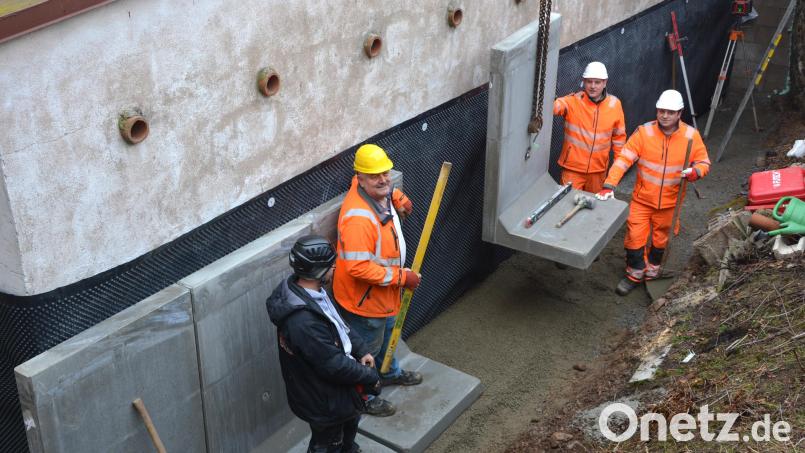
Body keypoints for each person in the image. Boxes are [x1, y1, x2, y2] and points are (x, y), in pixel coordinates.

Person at [266, 235, 381, 453]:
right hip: (325, 401)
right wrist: (370, 376)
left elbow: (339, 324)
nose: (335, 268)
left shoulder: (312, 293)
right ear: (318, 271)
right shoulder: (302, 321)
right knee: (328, 444)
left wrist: (361, 349)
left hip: (336, 393)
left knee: (347, 434)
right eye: (331, 265)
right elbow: (333, 364)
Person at [333, 143, 422, 417]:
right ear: (360, 177)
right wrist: (401, 277)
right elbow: (358, 268)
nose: (383, 179)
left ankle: (390, 372)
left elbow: (385, 189)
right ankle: (366, 396)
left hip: (385, 293)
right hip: (365, 301)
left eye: (386, 172)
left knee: (388, 338)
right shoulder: (358, 219)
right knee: (367, 352)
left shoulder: (372, 189)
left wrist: (398, 196)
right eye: (375, 176)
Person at [595, 90, 711, 296]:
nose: (664, 115)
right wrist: (609, 185)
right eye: (661, 111)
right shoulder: (644, 133)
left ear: (679, 113)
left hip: (670, 202)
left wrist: (696, 172)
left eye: (670, 112)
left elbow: (703, 161)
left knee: (661, 241)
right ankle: (634, 274)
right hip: (642, 199)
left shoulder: (690, 136)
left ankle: (652, 273)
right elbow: (623, 160)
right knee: (635, 237)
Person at [553, 61, 627, 193]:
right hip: (572, 169)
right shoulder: (573, 101)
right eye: (589, 82)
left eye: (597, 82)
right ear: (584, 82)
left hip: (598, 172)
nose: (593, 86)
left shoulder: (615, 105)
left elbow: (619, 140)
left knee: (594, 209)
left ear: (605, 83)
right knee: (566, 206)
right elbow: (556, 107)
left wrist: (615, 173)